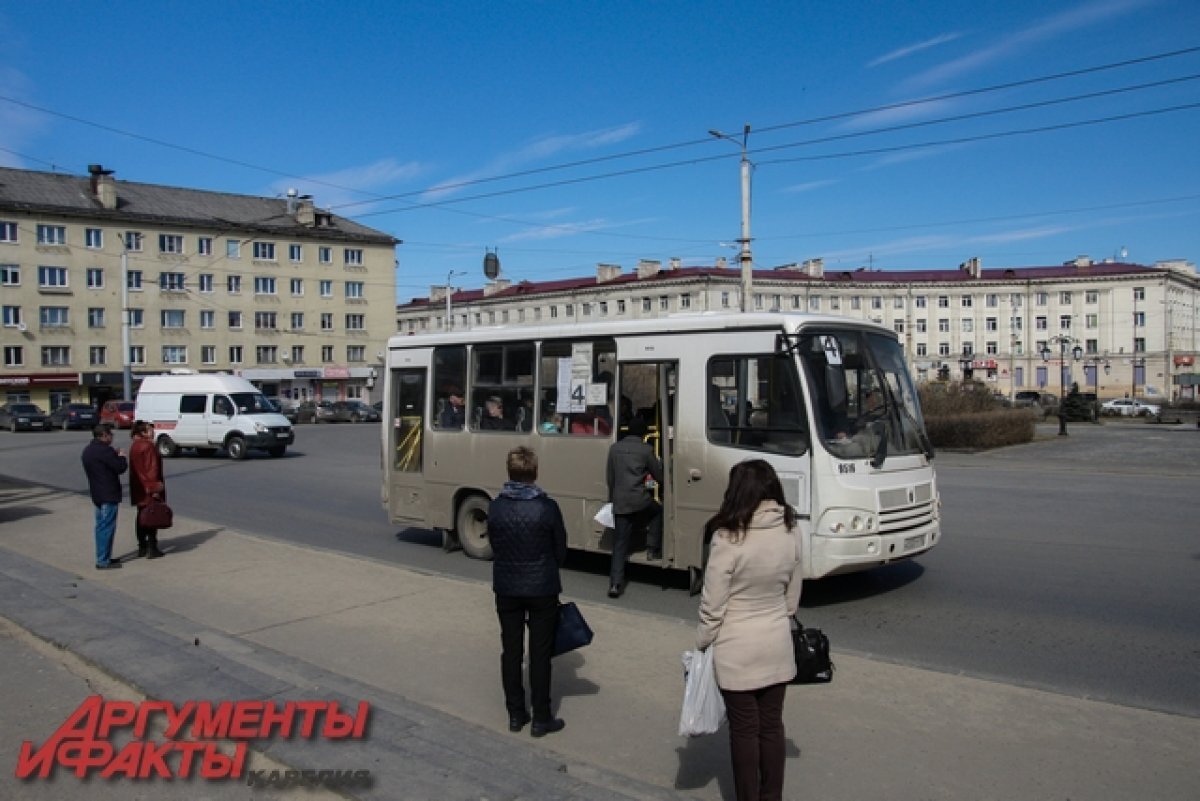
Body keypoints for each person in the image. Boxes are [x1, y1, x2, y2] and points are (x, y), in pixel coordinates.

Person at [696, 459, 804, 801]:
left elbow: (713, 606)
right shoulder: (790, 529)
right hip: (776, 643)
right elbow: (792, 599)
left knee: (744, 730)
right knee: (771, 727)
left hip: (736, 648)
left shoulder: (727, 537)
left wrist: (702, 643)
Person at [486, 446, 568, 738]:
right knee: (540, 654)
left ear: (509, 472)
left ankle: (516, 714)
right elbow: (560, 550)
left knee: (511, 651)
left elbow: (494, 546)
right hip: (541, 587)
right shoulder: (547, 507)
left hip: (507, 586)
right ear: (535, 472)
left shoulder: (495, 506)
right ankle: (541, 718)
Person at [604, 416, 663, 597]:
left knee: (620, 544)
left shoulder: (615, 449)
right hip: (640, 500)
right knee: (657, 511)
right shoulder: (646, 450)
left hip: (621, 501)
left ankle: (615, 584)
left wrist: (613, 498)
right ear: (644, 432)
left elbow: (610, 478)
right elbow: (659, 476)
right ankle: (652, 549)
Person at [80, 424, 128, 570]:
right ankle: (102, 560)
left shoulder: (88, 451)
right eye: (110, 435)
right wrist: (121, 457)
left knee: (101, 526)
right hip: (108, 493)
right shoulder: (105, 451)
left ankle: (104, 556)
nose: (112, 437)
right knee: (106, 527)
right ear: (103, 436)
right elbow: (120, 468)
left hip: (97, 493)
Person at [129, 420, 166, 559]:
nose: (153, 432)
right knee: (152, 516)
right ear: (143, 432)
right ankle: (152, 548)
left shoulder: (135, 446)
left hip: (139, 487)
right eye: (149, 430)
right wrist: (155, 487)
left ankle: (142, 547)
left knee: (141, 516)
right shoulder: (148, 446)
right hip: (149, 487)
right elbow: (152, 468)